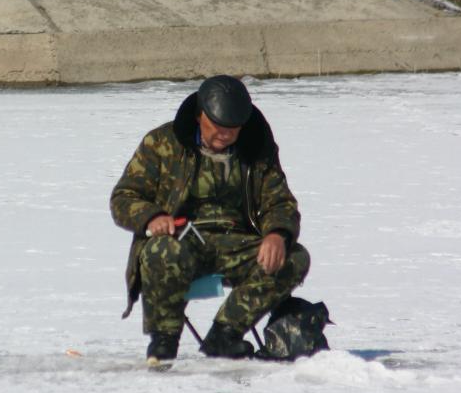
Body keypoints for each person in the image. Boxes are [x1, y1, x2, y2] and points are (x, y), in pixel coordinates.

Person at [110, 75, 311, 362]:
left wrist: (277, 234)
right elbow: (124, 197)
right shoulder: (162, 143)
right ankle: (164, 341)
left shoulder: (258, 149)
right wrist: (151, 217)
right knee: (160, 251)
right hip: (182, 240)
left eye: (232, 129)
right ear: (200, 115)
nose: (224, 135)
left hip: (236, 243)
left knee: (295, 257)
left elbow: (279, 202)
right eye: (217, 127)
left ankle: (224, 335)